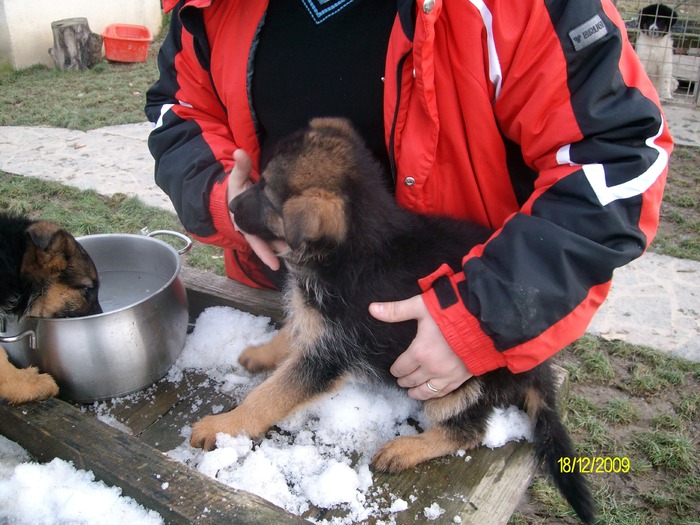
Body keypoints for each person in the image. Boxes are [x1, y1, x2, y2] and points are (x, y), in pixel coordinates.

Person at [145, 0, 673, 402]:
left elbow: (615, 155)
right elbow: (180, 110)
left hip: (441, 350)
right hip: (275, 305)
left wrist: (483, 316)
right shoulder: (209, 7)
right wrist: (224, 195)